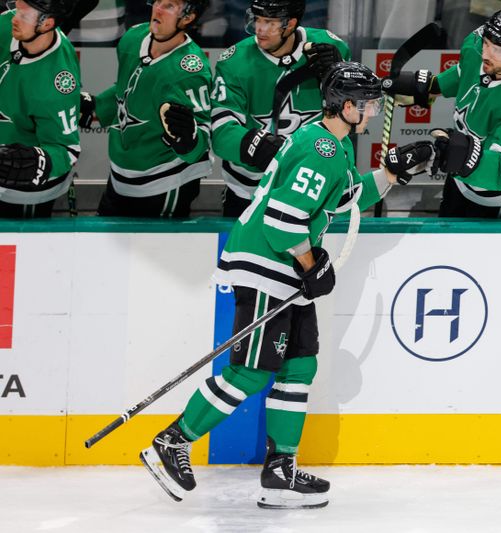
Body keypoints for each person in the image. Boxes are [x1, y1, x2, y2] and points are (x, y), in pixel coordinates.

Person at [139, 61, 431, 509]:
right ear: (347, 106)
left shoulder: (330, 143)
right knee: (249, 371)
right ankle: (173, 441)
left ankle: (280, 470)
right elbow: (282, 221)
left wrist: (390, 173)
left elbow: (347, 199)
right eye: (368, 105)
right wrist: (312, 265)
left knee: (299, 367)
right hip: (266, 265)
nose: (373, 112)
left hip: (285, 270)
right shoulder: (321, 150)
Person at [382, 6, 501, 219]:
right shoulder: (479, 43)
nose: (485, 53)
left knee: (487, 250)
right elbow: (466, 70)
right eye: (486, 43)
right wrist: (433, 86)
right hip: (464, 168)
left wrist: (445, 156)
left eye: (496, 49)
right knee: (448, 238)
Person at [211, 0, 350, 218]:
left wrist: (339, 75)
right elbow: (221, 133)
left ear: (291, 24)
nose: (260, 29)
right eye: (257, 20)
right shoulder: (234, 62)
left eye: (270, 22)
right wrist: (256, 146)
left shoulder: (329, 48)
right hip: (249, 190)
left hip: (312, 187)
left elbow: (353, 113)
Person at [78, 0, 212, 217]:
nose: (157, 9)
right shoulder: (133, 38)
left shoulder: (189, 70)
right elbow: (127, 88)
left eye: (169, 6)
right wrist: (97, 105)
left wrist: (190, 139)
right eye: (158, 1)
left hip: (166, 181)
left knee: (156, 250)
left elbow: (203, 134)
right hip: (121, 175)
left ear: (188, 18)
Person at [0, 0, 81, 218]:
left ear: (46, 24)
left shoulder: (58, 84)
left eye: (24, 16)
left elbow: (68, 150)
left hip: (21, 192)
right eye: (17, 10)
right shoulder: (9, 25)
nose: (14, 18)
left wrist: (39, 162)